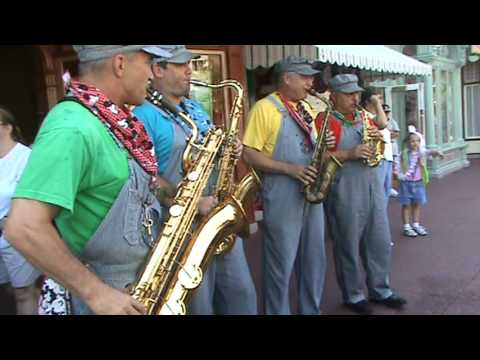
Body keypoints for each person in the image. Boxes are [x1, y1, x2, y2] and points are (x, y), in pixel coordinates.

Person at [4, 45, 174, 315]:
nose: (153, 74)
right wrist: (95, 292)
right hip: (104, 301)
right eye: (148, 62)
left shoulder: (115, 121)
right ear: (120, 64)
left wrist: (177, 197)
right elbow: (23, 226)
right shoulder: (71, 126)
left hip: (136, 289)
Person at [133, 45, 257, 315]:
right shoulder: (142, 115)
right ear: (157, 70)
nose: (190, 70)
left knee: (242, 296)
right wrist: (193, 202)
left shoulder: (194, 107)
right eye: (181, 65)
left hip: (216, 219)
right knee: (198, 304)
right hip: (181, 229)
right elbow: (144, 179)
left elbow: (211, 144)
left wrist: (230, 146)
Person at [243, 56, 334, 315]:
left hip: (310, 192)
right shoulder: (264, 108)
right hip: (282, 193)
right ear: (286, 78)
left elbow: (312, 151)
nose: (311, 82)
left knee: (314, 261)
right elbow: (249, 154)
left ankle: (310, 311)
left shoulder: (307, 108)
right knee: (280, 265)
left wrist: (324, 144)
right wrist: (290, 169)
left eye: (311, 77)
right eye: (304, 77)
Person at [316, 74, 407, 315]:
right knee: (347, 242)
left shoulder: (364, 116)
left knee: (378, 239)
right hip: (344, 184)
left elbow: (381, 129)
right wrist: (349, 153)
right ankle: (353, 295)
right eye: (348, 94)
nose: (355, 98)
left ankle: (381, 289)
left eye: (356, 93)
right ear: (333, 96)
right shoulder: (323, 120)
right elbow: (316, 158)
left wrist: (378, 141)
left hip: (372, 182)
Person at [0, 106, 42, 315]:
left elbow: (30, 196)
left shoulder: (24, 157)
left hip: (15, 236)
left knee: (23, 292)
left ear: (7, 127)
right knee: (9, 289)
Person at [395, 132, 443, 238]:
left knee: (417, 204)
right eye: (412, 141)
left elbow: (430, 152)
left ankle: (416, 224)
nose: (415, 143)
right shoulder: (403, 154)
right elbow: (397, 166)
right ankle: (407, 227)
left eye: (417, 141)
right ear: (407, 143)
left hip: (418, 183)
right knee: (406, 205)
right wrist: (398, 174)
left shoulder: (421, 153)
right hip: (406, 183)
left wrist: (438, 153)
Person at [383, 104, 400, 198]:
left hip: (393, 146)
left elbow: (397, 134)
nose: (386, 114)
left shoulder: (392, 121)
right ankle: (387, 188)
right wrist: (389, 134)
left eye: (387, 112)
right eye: (385, 112)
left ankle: (392, 187)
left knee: (395, 166)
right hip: (384, 146)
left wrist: (389, 134)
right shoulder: (379, 121)